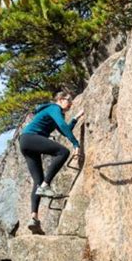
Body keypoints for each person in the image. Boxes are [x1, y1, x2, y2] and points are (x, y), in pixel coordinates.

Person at [19, 91, 83, 234]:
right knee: (63, 152)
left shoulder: (51, 111)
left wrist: (76, 118)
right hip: (31, 137)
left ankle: (33, 218)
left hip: (25, 142)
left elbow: (63, 129)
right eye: (69, 101)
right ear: (60, 99)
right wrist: (76, 144)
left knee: (38, 181)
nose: (70, 104)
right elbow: (62, 124)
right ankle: (46, 185)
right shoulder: (54, 108)